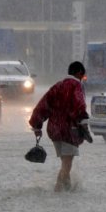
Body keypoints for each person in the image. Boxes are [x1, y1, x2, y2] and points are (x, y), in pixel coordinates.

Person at [29, 61, 91, 192]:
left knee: (65, 161)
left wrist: (37, 125)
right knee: (67, 164)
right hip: (69, 131)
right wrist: (84, 123)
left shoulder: (57, 86)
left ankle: (68, 189)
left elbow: (43, 106)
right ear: (79, 73)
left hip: (55, 130)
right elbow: (79, 105)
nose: (82, 79)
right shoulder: (76, 86)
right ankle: (58, 190)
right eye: (83, 76)